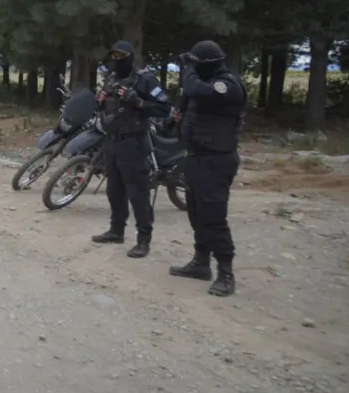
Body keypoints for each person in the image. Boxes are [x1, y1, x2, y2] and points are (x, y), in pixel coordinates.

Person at [170, 40, 247, 297]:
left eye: (195, 63)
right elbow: (185, 104)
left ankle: (226, 273)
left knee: (214, 217)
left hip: (217, 160)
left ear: (208, 64)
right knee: (196, 213)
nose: (191, 68)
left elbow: (195, 87)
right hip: (195, 157)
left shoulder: (228, 84)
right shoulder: (199, 86)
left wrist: (188, 69)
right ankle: (201, 263)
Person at [92, 40, 171, 257]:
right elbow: (107, 106)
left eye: (121, 56)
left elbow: (164, 108)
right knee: (113, 191)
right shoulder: (111, 79)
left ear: (130, 57)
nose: (117, 60)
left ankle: (143, 239)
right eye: (114, 56)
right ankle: (116, 231)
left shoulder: (144, 80)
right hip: (112, 141)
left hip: (133, 143)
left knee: (137, 193)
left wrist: (138, 102)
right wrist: (100, 101)